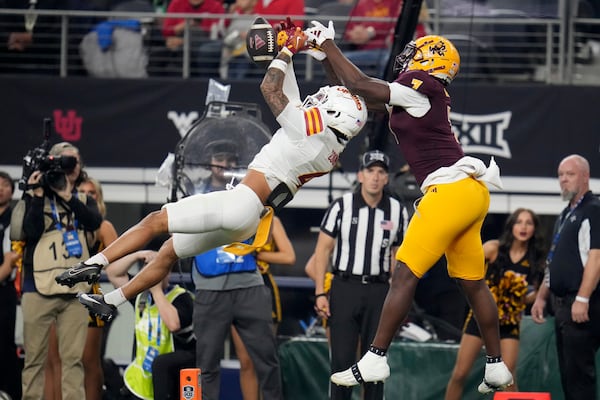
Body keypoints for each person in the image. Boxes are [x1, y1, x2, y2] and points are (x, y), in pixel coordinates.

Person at [304, 24, 512, 393]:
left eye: (416, 52)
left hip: (450, 192)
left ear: (431, 60)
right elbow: (353, 93)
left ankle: (375, 357)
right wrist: (324, 58)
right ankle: (496, 366)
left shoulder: (423, 86)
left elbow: (363, 84)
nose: (408, 58)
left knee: (403, 274)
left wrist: (330, 43)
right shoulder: (421, 94)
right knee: (473, 284)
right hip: (469, 192)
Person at [187, 139, 294, 400]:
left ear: (236, 164)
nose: (224, 164)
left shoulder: (248, 192)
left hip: (248, 284)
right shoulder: (194, 195)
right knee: (207, 365)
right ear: (209, 163)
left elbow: (271, 220)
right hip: (210, 287)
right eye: (218, 159)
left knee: (267, 361)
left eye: (229, 160)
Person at [313, 149, 408, 400]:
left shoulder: (398, 211)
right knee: (342, 361)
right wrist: (320, 292)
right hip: (345, 287)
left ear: (386, 178)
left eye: (380, 172)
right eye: (370, 171)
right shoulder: (341, 206)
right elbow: (322, 251)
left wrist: (398, 295)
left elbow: (400, 258)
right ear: (360, 175)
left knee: (375, 363)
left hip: (379, 292)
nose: (375, 177)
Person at [16, 141, 102, 400]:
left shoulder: (85, 199)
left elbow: (93, 221)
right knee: (34, 360)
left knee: (73, 361)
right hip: (37, 287)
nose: (70, 166)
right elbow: (28, 232)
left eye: (74, 161)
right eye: (63, 161)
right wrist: (36, 194)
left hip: (75, 289)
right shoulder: (34, 197)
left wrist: (66, 195)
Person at [445, 208, 546, 399]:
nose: (523, 227)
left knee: (508, 379)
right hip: (481, 318)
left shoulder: (536, 261)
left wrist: (518, 297)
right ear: (511, 226)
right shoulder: (493, 248)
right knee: (459, 373)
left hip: (509, 323)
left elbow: (536, 293)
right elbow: (467, 270)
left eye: (528, 223)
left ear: (534, 229)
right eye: (519, 222)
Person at [43, 176, 119, 400]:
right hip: (58, 295)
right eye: (82, 192)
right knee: (55, 360)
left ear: (99, 198)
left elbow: (118, 264)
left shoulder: (104, 226)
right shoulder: (63, 225)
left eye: (92, 193)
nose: (87, 196)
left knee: (88, 361)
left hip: (90, 298)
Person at [531, 154, 600, 400]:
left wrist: (582, 298)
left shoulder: (593, 209)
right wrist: (540, 297)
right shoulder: (565, 213)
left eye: (569, 174)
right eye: (560, 175)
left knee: (580, 377)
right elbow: (553, 259)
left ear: (585, 176)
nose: (563, 180)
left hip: (581, 304)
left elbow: (597, 257)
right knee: (569, 376)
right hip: (561, 306)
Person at [105, 250, 195, 400]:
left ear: (167, 272)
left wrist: (156, 290)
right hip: (143, 375)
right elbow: (113, 273)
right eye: (151, 270)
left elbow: (174, 324)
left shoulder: (181, 297)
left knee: (161, 364)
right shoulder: (141, 296)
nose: (155, 275)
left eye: (160, 270)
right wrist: (138, 255)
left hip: (173, 372)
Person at [148, 0, 225, 76]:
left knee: (181, 59)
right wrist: (180, 27)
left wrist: (184, 40)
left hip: (200, 44)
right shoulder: (176, 3)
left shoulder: (215, 6)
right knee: (156, 55)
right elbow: (166, 31)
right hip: (175, 42)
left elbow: (213, 33)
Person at [0, 171, 21, 400]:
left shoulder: (15, 218)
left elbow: (11, 259)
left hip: (4, 290)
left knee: (4, 344)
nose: (0, 189)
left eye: (5, 184)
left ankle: (10, 393)